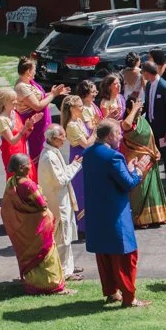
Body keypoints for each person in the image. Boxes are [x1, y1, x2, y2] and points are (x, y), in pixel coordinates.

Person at [83, 119, 152, 307]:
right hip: (115, 213)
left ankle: (112, 292)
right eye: (119, 133)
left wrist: (127, 169)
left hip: (97, 212)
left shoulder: (88, 153)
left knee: (104, 254)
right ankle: (130, 298)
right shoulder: (113, 157)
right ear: (110, 135)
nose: (121, 136)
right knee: (126, 255)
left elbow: (110, 177)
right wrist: (138, 170)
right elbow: (128, 183)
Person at [0, 153, 71, 295]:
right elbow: (42, 205)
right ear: (21, 168)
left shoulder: (11, 182)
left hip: (25, 229)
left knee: (32, 258)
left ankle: (33, 284)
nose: (30, 166)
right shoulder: (28, 185)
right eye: (28, 164)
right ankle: (52, 286)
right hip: (38, 227)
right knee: (46, 256)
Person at [38, 124, 83, 280]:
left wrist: (72, 166)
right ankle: (64, 271)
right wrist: (75, 166)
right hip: (57, 201)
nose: (65, 138)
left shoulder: (53, 152)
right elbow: (60, 180)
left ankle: (68, 265)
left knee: (66, 233)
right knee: (62, 236)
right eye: (63, 135)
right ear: (54, 138)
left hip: (61, 199)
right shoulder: (49, 157)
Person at [121, 92, 166, 228]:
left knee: (152, 189)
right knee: (140, 190)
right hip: (137, 161)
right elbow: (125, 125)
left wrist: (156, 150)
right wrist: (134, 111)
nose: (140, 110)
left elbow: (150, 137)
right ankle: (139, 218)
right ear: (128, 110)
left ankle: (156, 216)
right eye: (138, 108)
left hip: (150, 158)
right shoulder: (128, 124)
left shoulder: (143, 121)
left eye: (141, 108)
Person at [14, 57, 67, 163]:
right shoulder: (21, 87)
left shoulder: (29, 82)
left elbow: (38, 97)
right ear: (28, 71)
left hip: (40, 123)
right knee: (38, 153)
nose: (35, 72)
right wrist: (53, 95)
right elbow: (37, 106)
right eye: (34, 70)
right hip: (34, 126)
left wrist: (54, 93)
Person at [62, 94, 94, 235]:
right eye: (79, 106)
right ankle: (82, 226)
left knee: (89, 190)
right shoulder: (71, 125)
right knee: (81, 192)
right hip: (79, 160)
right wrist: (97, 132)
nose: (82, 108)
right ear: (72, 109)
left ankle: (90, 222)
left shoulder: (79, 120)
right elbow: (86, 144)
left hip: (86, 159)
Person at [140, 61, 166, 192]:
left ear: (147, 73)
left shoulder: (164, 86)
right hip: (152, 127)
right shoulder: (149, 85)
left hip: (163, 129)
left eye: (143, 72)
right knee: (153, 156)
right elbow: (148, 104)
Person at [0, 87, 42, 181]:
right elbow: (12, 141)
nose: (16, 102)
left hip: (23, 152)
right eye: (12, 100)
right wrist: (24, 129)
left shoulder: (14, 113)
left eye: (16, 99)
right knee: (17, 181)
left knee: (29, 178)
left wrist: (30, 125)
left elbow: (23, 136)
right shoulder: (1, 120)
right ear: (4, 103)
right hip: (13, 156)